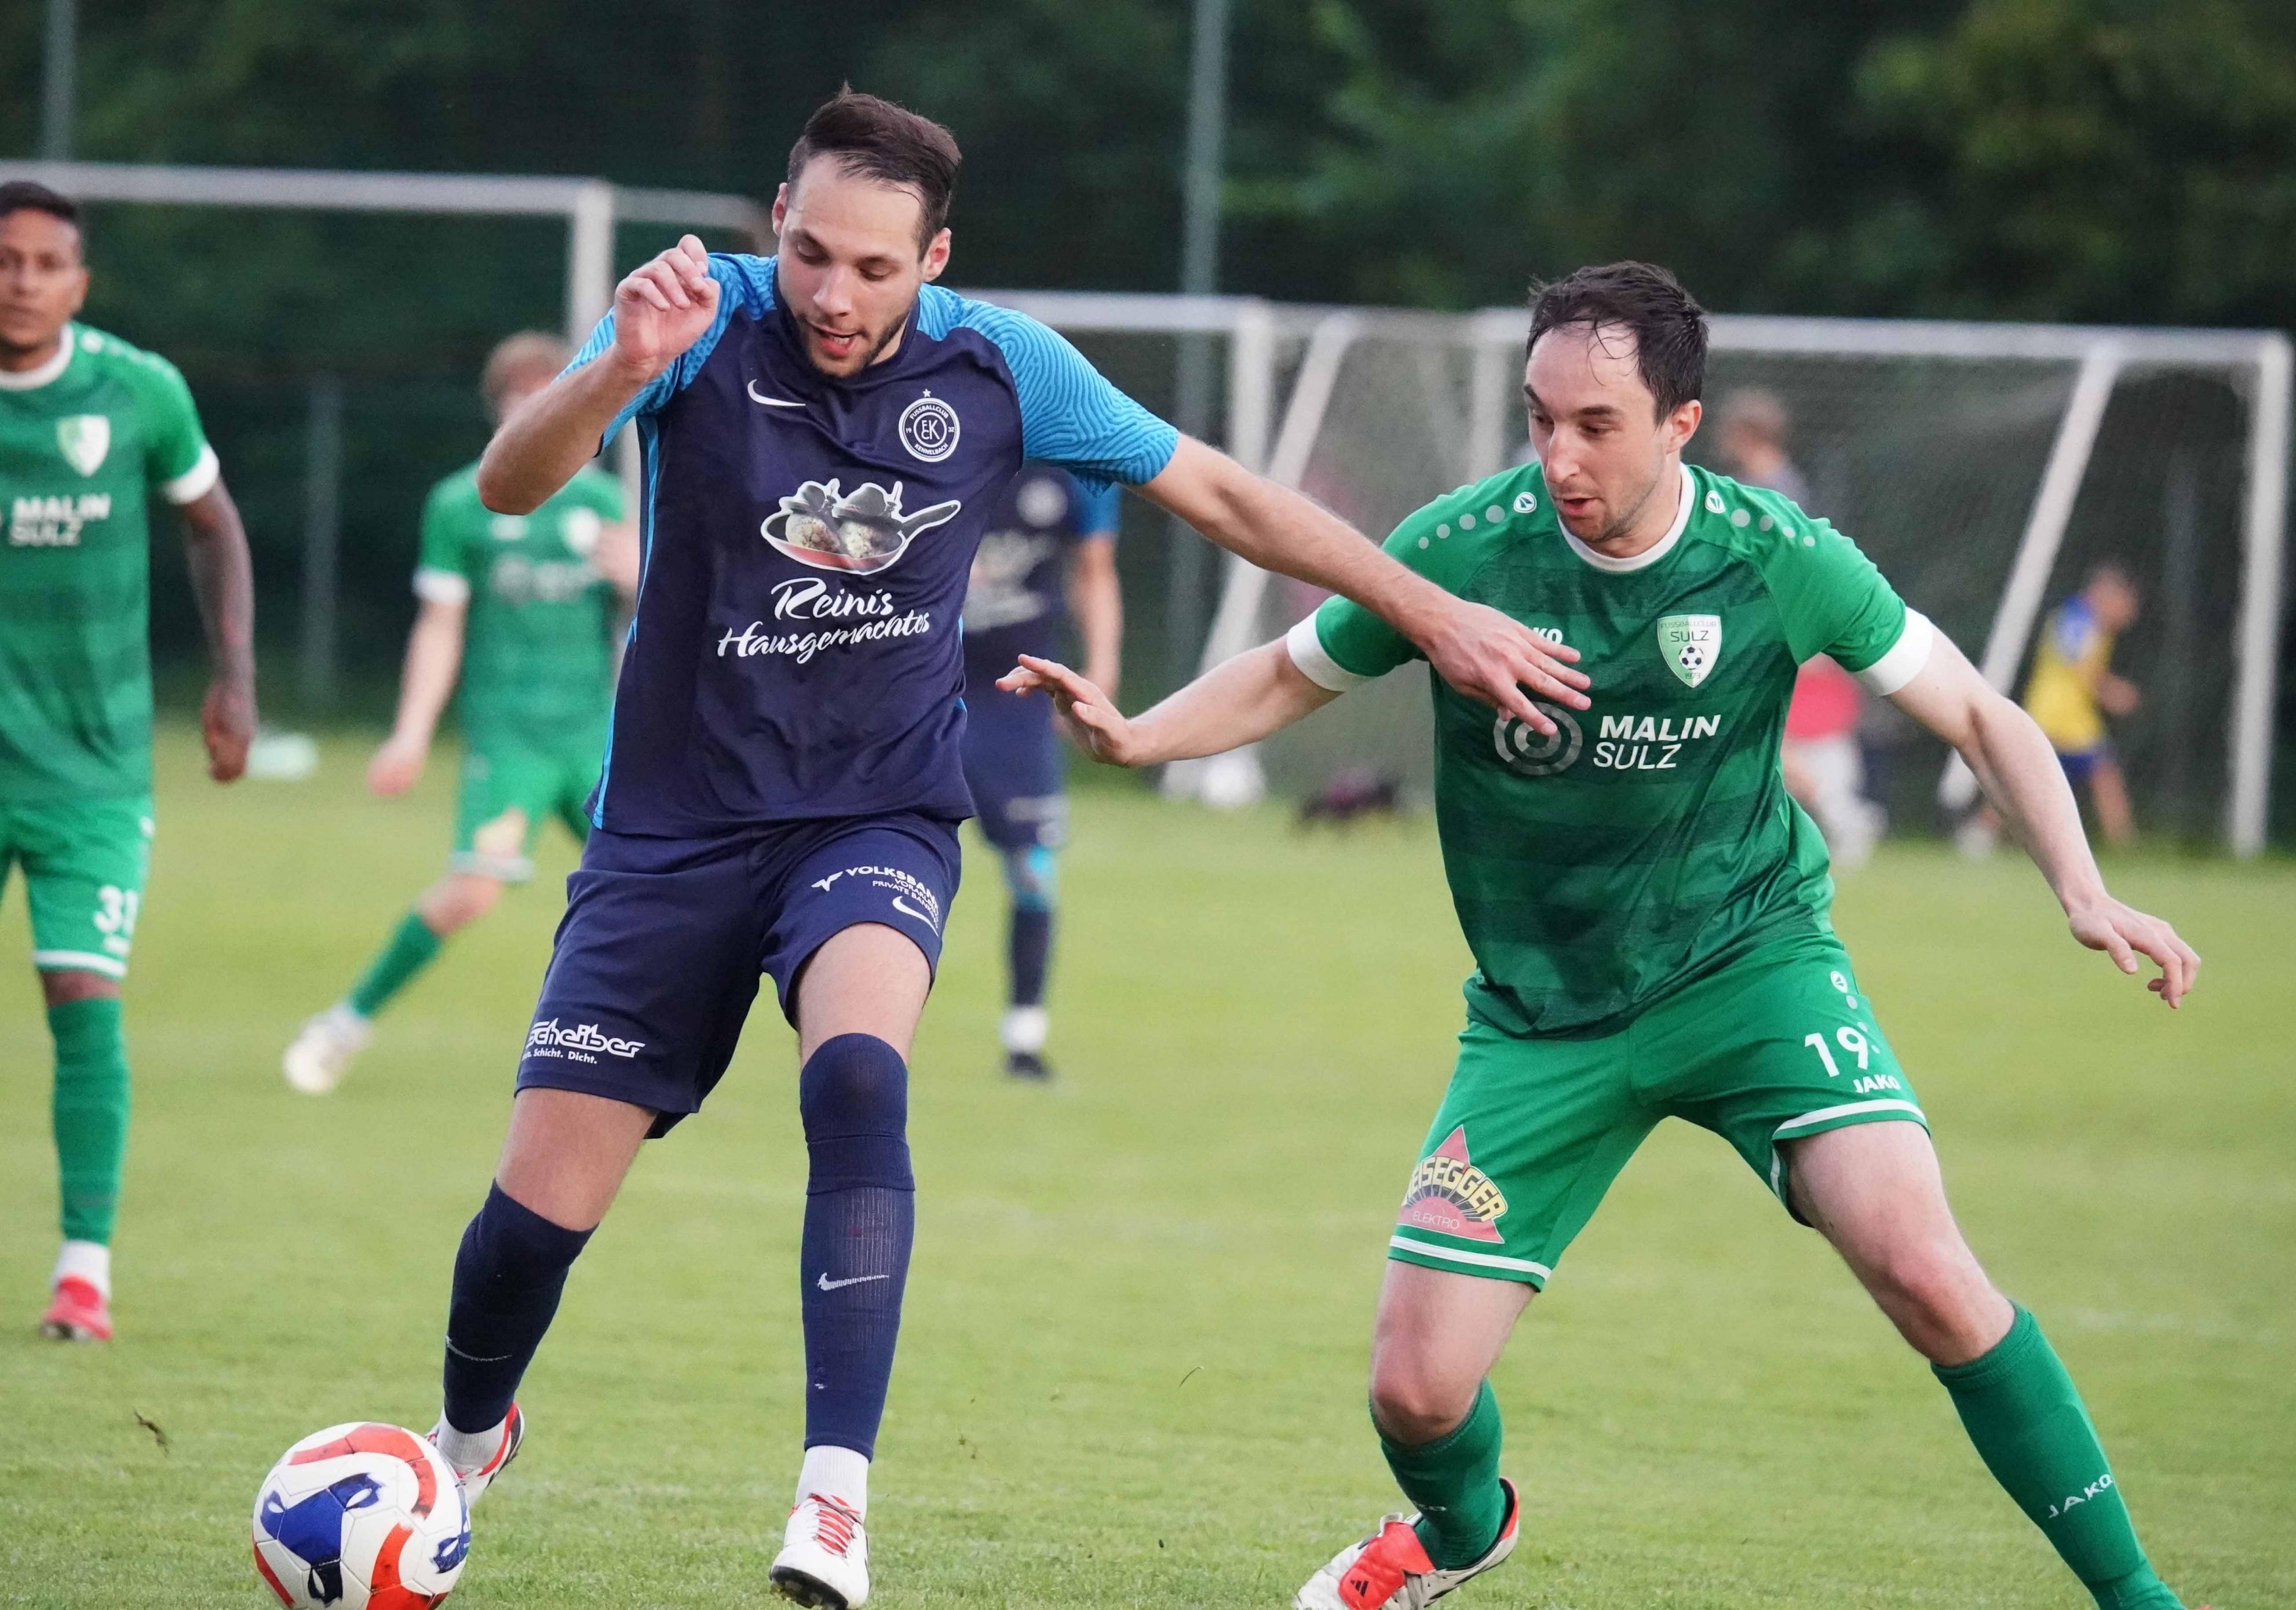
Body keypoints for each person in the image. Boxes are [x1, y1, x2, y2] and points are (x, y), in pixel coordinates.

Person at [407, 90, 1585, 1610]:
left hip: (874, 814)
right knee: (529, 1225)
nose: (836, 296)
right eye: (814, 254)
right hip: (670, 834)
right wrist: (616, 371)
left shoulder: (1004, 363)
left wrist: (1432, 612)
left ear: (934, 260)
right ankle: (462, 1443)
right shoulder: (692, 319)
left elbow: (1223, 493)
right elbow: (508, 483)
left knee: (858, 1074)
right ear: (779, 220)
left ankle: (834, 1500)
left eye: (875, 268)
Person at [1006, 262, 2204, 1610]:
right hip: (1542, 1017)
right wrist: (1139, 735)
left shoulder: (1774, 556)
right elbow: (1293, 674)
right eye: (1539, 420)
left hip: (1749, 970)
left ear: (1680, 425)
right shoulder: (1466, 548)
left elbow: (1982, 715)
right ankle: (1459, 1533)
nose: (1559, 456)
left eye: (1595, 425)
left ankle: (2142, 1600)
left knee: (1926, 1272)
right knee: (1414, 1391)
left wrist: (2082, 889)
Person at [0, 180, 255, 1342]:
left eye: (46, 263)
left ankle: (83, 1272)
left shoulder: (137, 389)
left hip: (92, 771)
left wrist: (233, 676)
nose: (23, 281)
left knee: (82, 998)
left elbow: (214, 522)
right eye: (7, 260)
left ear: (79, 283)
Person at [280, 334, 634, 1093]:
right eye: (520, 398)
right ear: (498, 409)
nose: (536, 409)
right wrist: (410, 733)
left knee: (656, 889)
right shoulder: (461, 502)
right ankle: (343, 1023)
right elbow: (439, 625)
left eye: (551, 393)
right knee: (472, 890)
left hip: (595, 735)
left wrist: (642, 577)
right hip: (510, 737)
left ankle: (645, 1050)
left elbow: (664, 625)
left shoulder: (605, 504)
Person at [958, 461, 1120, 1080]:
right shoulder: (929, 437)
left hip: (1017, 698)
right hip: (918, 685)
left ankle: (1024, 1038)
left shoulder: (1076, 466)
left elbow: (1094, 568)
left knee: (1032, 869)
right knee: (885, 852)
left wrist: (1100, 670)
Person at [2022, 563, 2142, 848]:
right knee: (2028, 781)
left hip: (2074, 718)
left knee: (2102, 775)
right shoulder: (2078, 619)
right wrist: (2112, 692)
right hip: (2055, 715)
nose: (2127, 614)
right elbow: (2079, 666)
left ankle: (2123, 844)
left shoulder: (2090, 622)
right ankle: (1981, 830)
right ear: (2106, 594)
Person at [1782, 654, 1885, 868]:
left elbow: (1841, 716)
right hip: (1794, 745)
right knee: (1806, 797)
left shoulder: (1836, 679)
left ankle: (1858, 825)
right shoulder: (1786, 675)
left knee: (1829, 797)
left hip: (1829, 745)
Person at [1713, 386, 1812, 508]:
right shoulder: (1749, 476)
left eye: (1730, 430)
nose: (1722, 437)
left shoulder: (1769, 483)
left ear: (1749, 432)